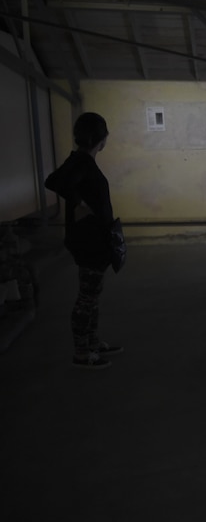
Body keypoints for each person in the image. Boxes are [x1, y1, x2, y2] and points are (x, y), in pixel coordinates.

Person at [45, 112, 123, 370]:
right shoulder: (81, 161)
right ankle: (81, 353)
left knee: (93, 295)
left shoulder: (82, 161)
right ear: (102, 138)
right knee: (87, 298)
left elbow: (62, 182)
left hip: (95, 241)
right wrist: (80, 204)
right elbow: (54, 182)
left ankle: (92, 342)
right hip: (89, 243)